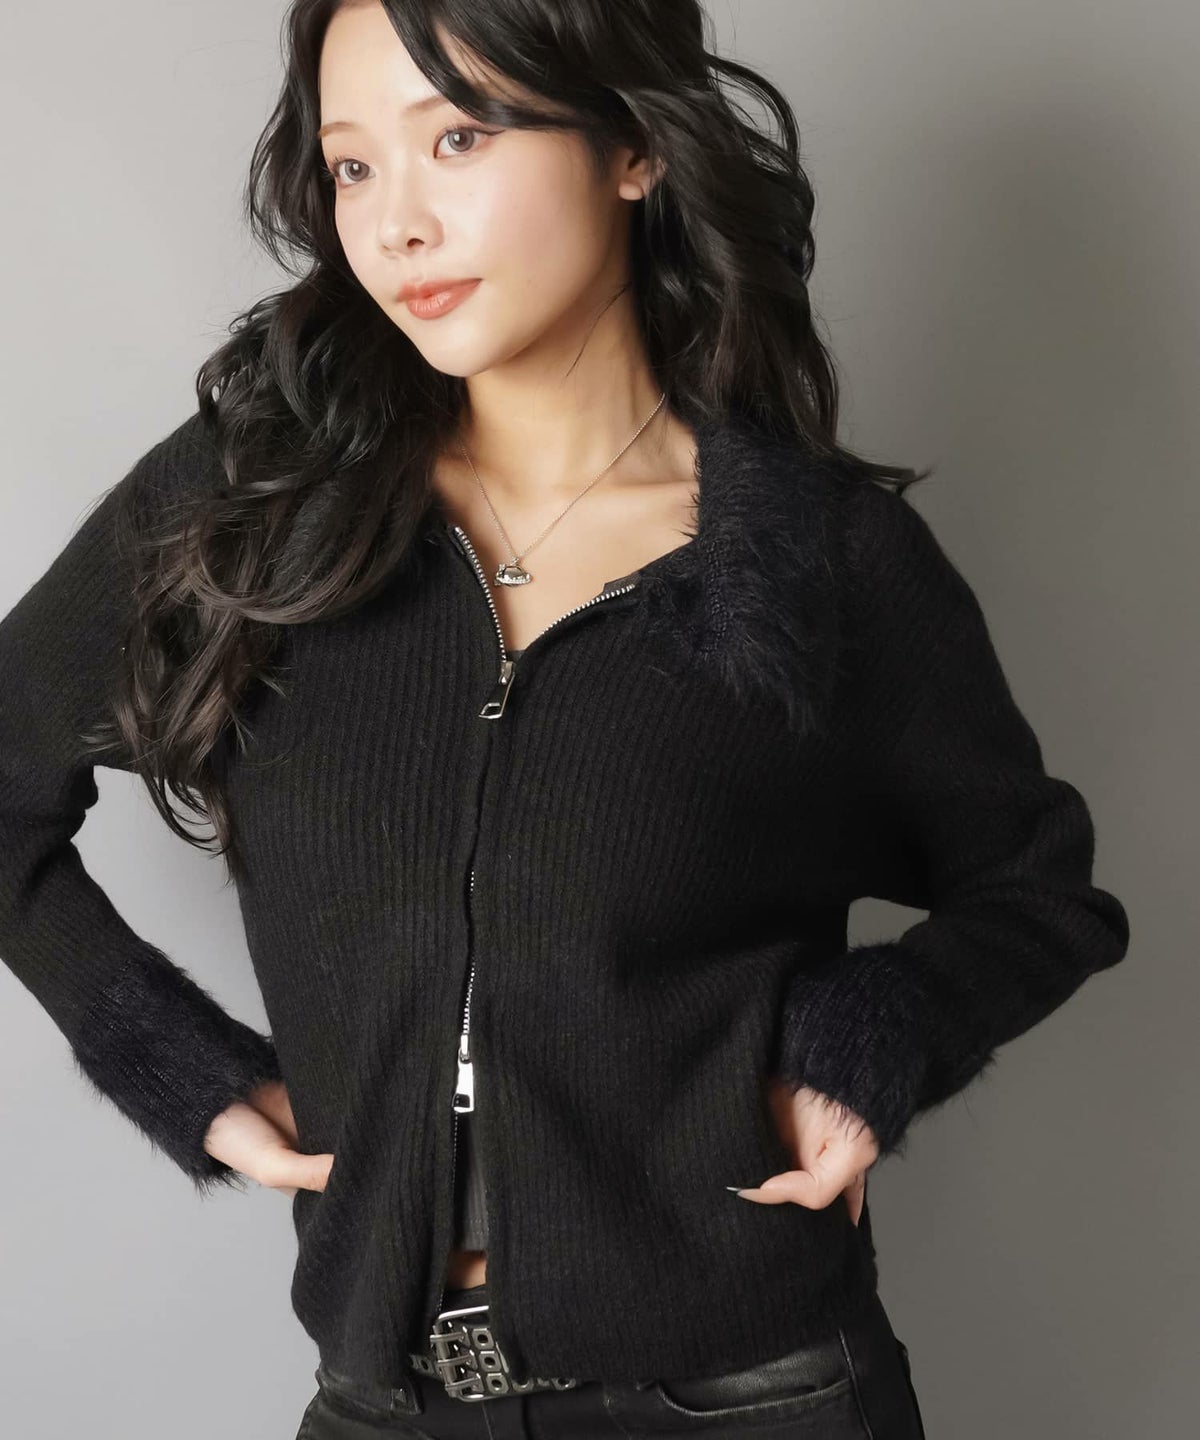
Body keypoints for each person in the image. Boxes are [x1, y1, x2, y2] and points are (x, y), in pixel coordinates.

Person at [0, 1, 1130, 1436]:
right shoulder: (262, 505)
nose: (396, 224)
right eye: (353, 166)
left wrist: (878, 1028)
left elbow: (1038, 889)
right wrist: (165, 1060)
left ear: (634, 147)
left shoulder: (811, 558)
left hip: (753, 1400)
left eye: (459, 139)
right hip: (390, 1405)